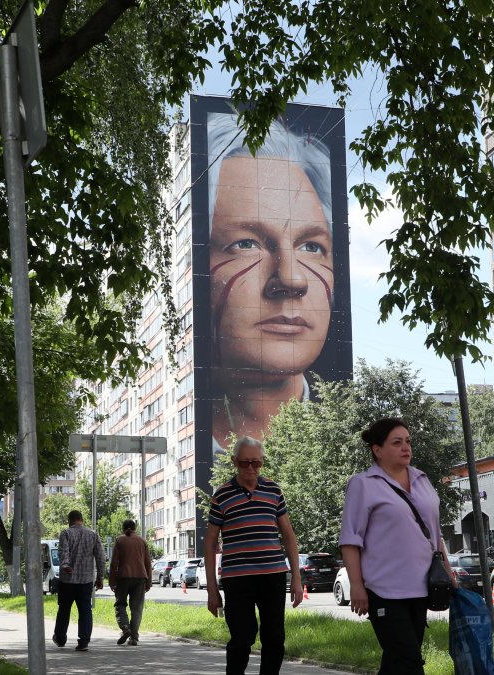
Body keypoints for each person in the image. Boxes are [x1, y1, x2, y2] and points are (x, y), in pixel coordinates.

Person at [205, 112, 336, 452]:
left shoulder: (343, 440)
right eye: (246, 244)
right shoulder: (190, 442)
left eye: (311, 246)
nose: (292, 279)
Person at [338, 417, 455, 675]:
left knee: (396, 663)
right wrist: (356, 585)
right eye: (397, 442)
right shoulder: (363, 484)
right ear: (377, 450)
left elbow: (434, 535)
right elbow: (350, 539)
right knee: (409, 662)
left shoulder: (422, 479)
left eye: (408, 441)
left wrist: (448, 571)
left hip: (422, 587)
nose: (406, 448)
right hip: (384, 590)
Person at [204, 437, 304, 675]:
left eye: (256, 463)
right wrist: (211, 589)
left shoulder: (273, 490)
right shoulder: (222, 496)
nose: (251, 469)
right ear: (233, 462)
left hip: (273, 575)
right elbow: (209, 543)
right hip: (238, 579)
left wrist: (297, 579)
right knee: (241, 638)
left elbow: (289, 536)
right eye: (244, 463)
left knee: (274, 638)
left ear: (262, 462)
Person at [53, 510, 106, 652]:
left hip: (68, 581)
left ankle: (60, 638)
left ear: (70, 520)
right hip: (86, 581)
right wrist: (100, 577)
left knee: (64, 609)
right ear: (81, 519)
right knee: (85, 610)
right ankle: (84, 641)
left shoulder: (66, 533)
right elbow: (101, 557)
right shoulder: (93, 534)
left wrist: (65, 565)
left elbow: (63, 552)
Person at [108, 518, 153, 646]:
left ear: (123, 529)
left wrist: (112, 581)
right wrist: (149, 581)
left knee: (120, 604)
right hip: (140, 578)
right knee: (136, 608)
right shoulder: (142, 541)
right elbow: (147, 563)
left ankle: (125, 628)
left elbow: (114, 563)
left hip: (123, 578)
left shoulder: (120, 540)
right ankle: (133, 637)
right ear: (134, 529)